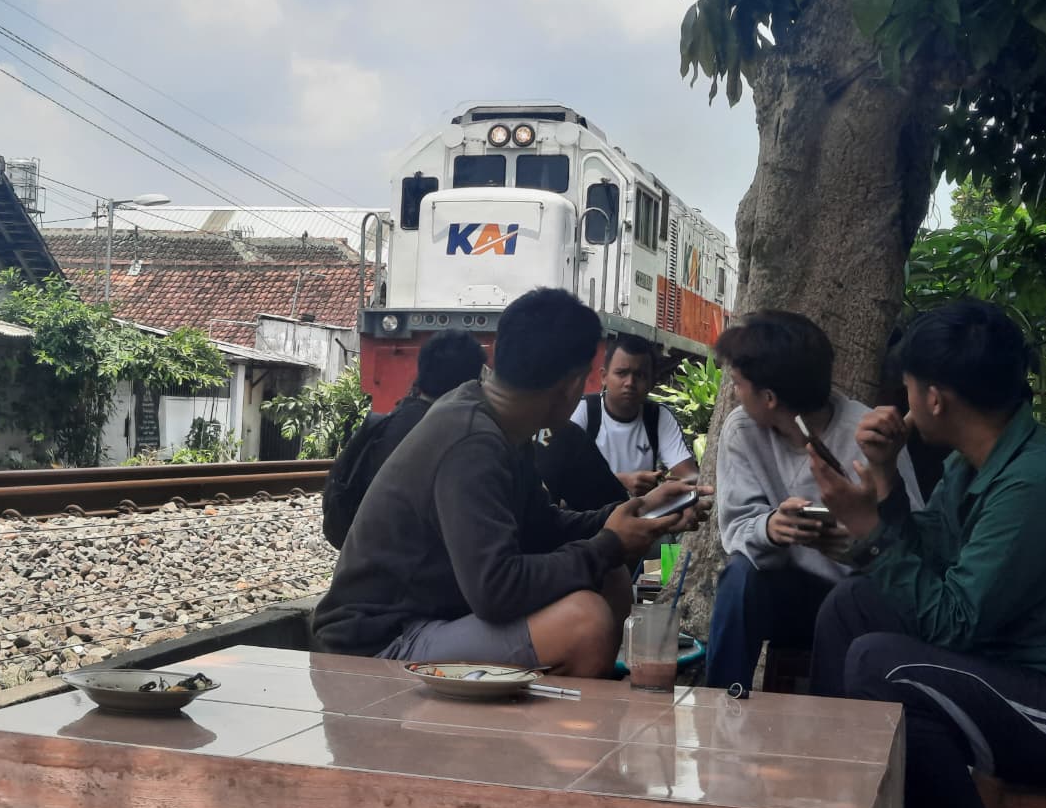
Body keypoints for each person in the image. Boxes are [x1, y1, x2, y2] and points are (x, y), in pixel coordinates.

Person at [312, 288, 709, 677]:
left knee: (608, 572)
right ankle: (551, 736)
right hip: (374, 647)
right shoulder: (472, 442)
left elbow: (543, 527)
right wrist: (609, 543)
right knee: (585, 623)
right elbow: (496, 592)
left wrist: (639, 510)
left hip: (432, 619)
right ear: (573, 384)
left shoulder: (493, 419)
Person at [808, 299, 1046, 808]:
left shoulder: (1034, 484)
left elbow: (953, 622)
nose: (901, 402)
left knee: (882, 664)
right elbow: (931, 555)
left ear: (935, 398)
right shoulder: (971, 464)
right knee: (852, 603)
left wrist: (870, 525)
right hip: (1002, 671)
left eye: (908, 387)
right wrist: (882, 477)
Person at [704, 310, 922, 692]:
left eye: (738, 384)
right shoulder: (742, 429)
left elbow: (919, 536)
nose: (735, 393)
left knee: (849, 601)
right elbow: (736, 527)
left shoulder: (869, 432)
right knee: (739, 578)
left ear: (769, 397)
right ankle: (720, 703)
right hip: (788, 594)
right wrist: (770, 528)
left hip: (858, 597)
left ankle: (829, 737)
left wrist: (858, 539)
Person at [321, 329, 487, 549]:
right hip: (403, 568)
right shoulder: (449, 437)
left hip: (362, 553)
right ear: (470, 383)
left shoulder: (395, 420)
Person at [570, 335, 698, 496]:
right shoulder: (584, 411)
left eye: (640, 375)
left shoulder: (658, 416)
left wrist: (664, 486)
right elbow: (557, 477)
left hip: (641, 516)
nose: (630, 382)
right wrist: (619, 482)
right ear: (604, 377)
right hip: (587, 516)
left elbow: (691, 476)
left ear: (652, 383)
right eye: (622, 373)